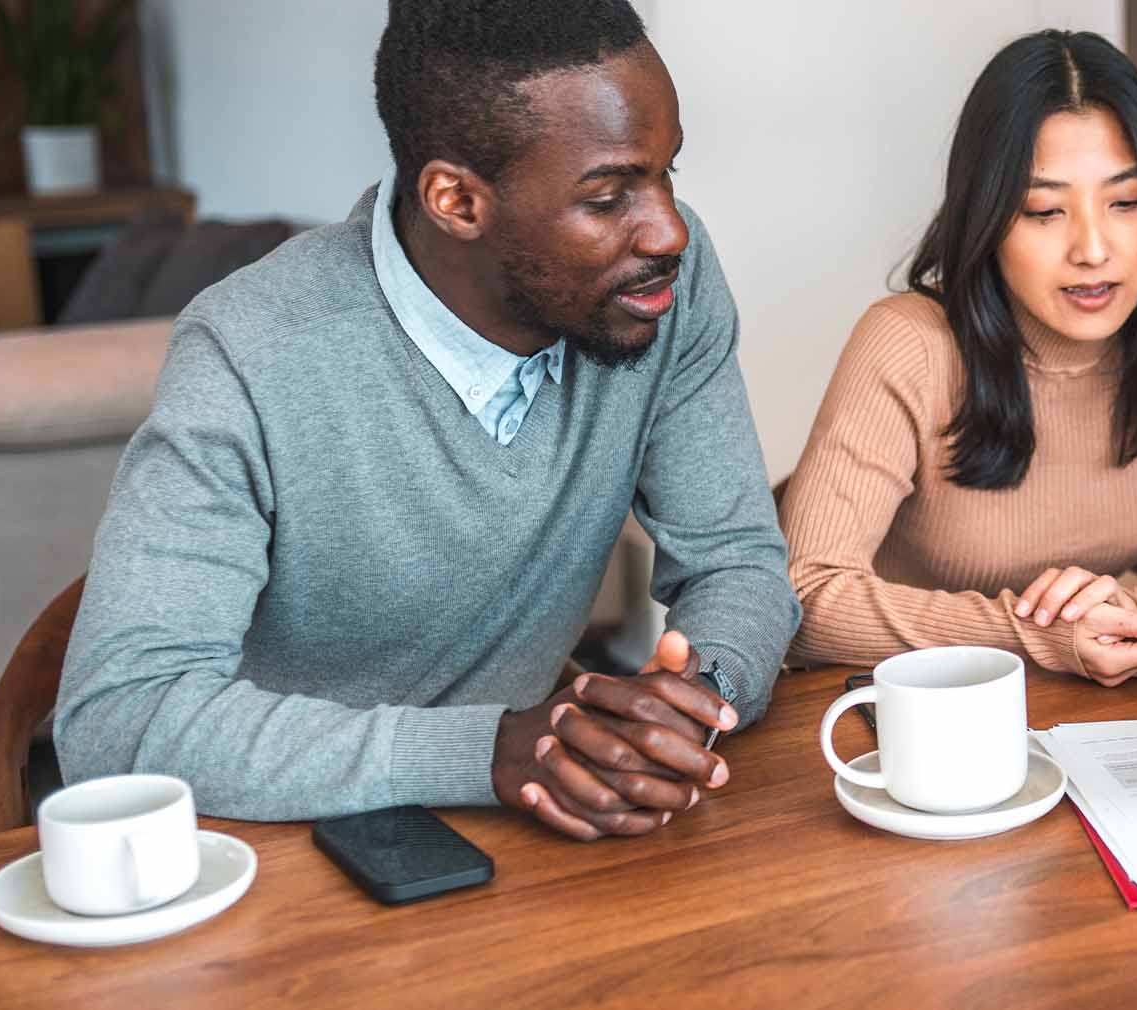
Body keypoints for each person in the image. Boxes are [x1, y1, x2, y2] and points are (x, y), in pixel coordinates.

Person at [56, 0, 799, 842]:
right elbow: (120, 724)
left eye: (667, 171)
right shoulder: (251, 351)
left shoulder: (661, 284)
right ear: (456, 199)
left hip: (527, 842)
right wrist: (484, 752)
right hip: (282, 852)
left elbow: (737, 561)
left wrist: (695, 698)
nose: (667, 228)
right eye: (607, 197)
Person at [781, 30, 1137, 685]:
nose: (1093, 249)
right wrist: (1036, 633)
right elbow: (805, 598)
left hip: (1084, 706)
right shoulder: (909, 343)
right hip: (908, 711)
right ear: (987, 220)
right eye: (1045, 210)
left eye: (1127, 202)